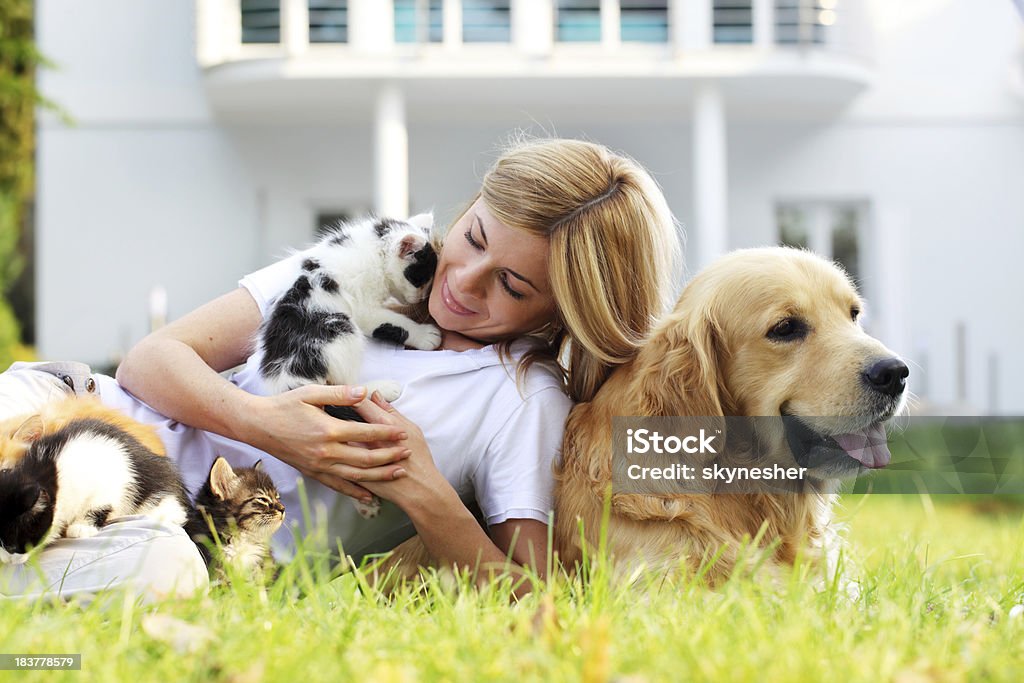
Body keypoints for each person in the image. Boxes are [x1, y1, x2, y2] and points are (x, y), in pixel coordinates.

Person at [0, 137, 681, 601]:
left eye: (510, 285)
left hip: (166, 532)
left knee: (163, 572)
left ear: (566, 315)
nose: (461, 282)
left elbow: (529, 596)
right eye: (474, 236)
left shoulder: (520, 399)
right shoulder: (381, 254)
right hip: (77, 408)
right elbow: (152, 359)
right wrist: (268, 426)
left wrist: (424, 492)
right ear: (472, 204)